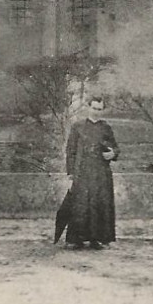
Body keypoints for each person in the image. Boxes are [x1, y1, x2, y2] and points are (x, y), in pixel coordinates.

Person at [62, 95, 120, 250]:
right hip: (82, 172)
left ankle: (98, 239)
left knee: (100, 205)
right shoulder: (78, 126)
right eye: (94, 108)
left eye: (100, 109)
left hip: (101, 173)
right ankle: (76, 239)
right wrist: (70, 174)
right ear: (88, 107)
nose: (96, 112)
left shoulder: (106, 128)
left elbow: (116, 148)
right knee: (80, 205)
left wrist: (112, 153)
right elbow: (71, 151)